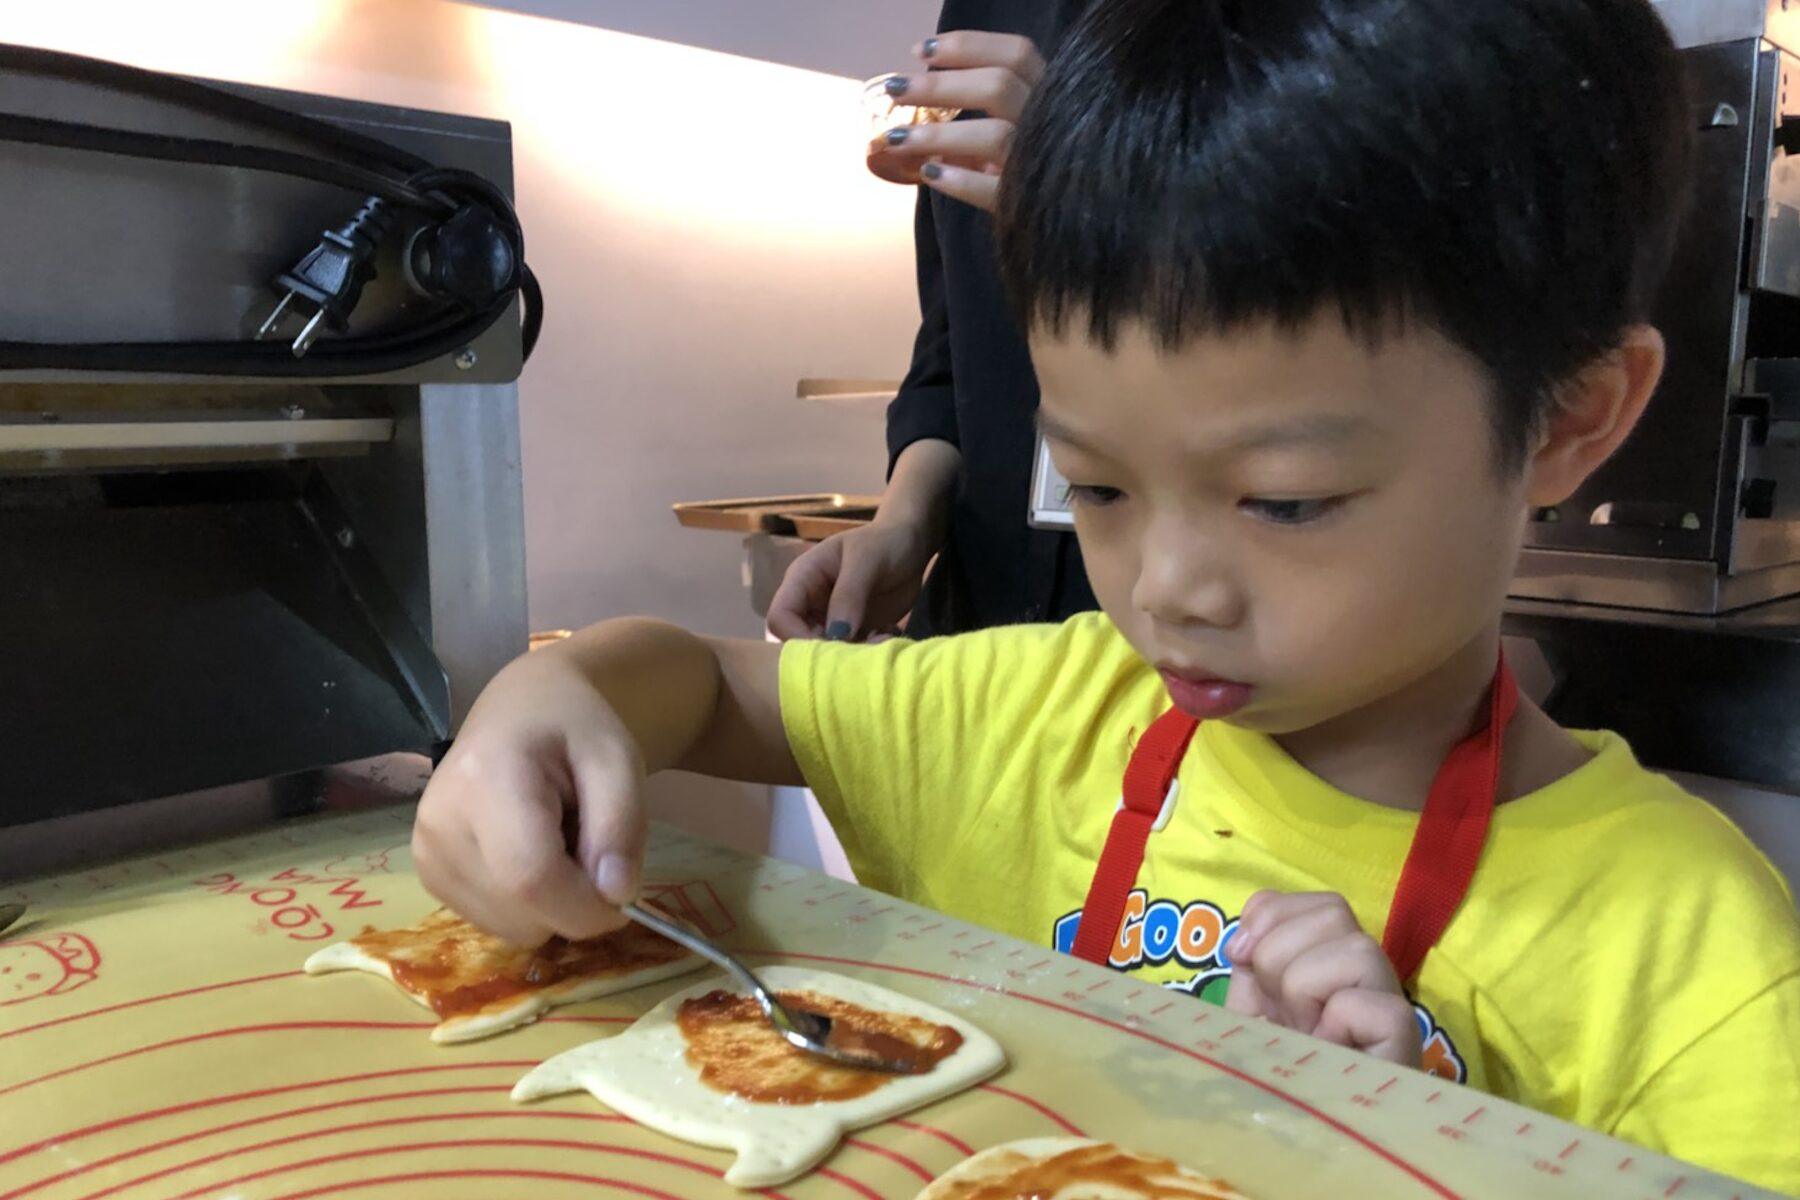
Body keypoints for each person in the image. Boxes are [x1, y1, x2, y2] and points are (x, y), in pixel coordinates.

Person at [414, 0, 1800, 1190]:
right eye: (1097, 485)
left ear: (1569, 419)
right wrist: (555, 695)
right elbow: (702, 683)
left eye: (1284, 501)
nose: (1170, 592)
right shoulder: (1054, 713)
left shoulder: (1691, 971)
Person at [766, 0, 1098, 642]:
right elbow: (951, 353)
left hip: (1163, 636)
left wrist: (1117, 209)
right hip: (971, 626)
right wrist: (902, 525)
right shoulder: (989, 11)